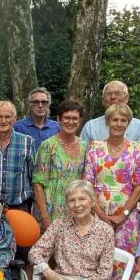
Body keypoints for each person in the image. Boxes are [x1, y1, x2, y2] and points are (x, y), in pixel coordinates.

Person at [84, 104, 140, 280]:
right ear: (107, 122)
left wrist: (124, 213)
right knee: (95, 255)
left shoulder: (137, 149)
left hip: (126, 214)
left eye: (123, 120)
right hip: (97, 210)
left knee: (123, 258)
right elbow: (88, 182)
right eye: (115, 120)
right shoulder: (94, 148)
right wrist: (100, 214)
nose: (118, 124)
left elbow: (139, 184)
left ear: (128, 124)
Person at [33, 99, 88, 231]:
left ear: (80, 121)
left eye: (74, 118)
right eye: (67, 118)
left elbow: (85, 180)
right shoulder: (48, 146)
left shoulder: (84, 146)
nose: (70, 122)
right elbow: (37, 184)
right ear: (59, 119)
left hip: (75, 208)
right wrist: (45, 217)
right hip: (50, 209)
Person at [0, 101, 37, 211]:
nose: (3, 121)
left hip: (20, 205)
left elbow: (34, 176)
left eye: (7, 117)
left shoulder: (27, 142)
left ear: (14, 119)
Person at [80, 80, 140, 144]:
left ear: (126, 98)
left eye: (117, 93)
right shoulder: (91, 127)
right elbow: (83, 155)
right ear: (103, 99)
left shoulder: (138, 126)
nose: (113, 97)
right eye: (108, 93)